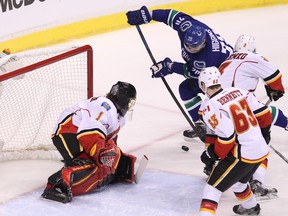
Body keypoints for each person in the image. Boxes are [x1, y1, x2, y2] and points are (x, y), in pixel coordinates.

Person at [126, 6, 233, 142]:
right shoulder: (187, 27)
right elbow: (170, 15)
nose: (190, 49)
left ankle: (223, 127)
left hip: (225, 73)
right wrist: (147, 15)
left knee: (216, 100)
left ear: (204, 43)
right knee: (186, 89)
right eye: (188, 45)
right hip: (215, 69)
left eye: (194, 47)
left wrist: (169, 67)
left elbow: (191, 72)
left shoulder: (207, 57)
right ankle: (201, 124)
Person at [41, 81, 137, 203]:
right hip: (67, 132)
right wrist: (103, 155)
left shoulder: (117, 116)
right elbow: (89, 134)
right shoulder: (104, 105)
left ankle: (80, 171)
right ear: (122, 99)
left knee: (102, 166)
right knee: (88, 165)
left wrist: (113, 156)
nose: (129, 105)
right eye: (129, 101)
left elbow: (109, 141)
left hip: (83, 136)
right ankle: (54, 186)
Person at [198, 66, 271, 215]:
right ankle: (251, 208)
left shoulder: (210, 106)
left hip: (243, 154)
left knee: (212, 189)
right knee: (238, 182)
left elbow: (227, 137)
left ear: (204, 85)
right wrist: (262, 136)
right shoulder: (238, 91)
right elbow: (264, 114)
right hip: (261, 149)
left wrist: (213, 154)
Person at [219, 34, 285, 199]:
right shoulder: (253, 57)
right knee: (260, 142)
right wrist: (276, 89)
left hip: (219, 112)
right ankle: (256, 182)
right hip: (240, 107)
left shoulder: (225, 62)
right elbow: (275, 75)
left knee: (235, 141)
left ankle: (214, 165)